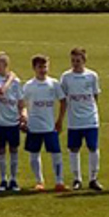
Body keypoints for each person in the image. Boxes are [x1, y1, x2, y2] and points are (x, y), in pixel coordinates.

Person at [60, 47, 102, 191]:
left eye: (78, 61)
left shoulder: (92, 76)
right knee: (74, 149)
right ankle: (77, 179)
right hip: (74, 120)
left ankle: (93, 179)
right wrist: (62, 118)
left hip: (90, 119)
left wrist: (92, 111)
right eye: (73, 61)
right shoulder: (66, 77)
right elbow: (63, 98)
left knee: (93, 147)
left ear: (84, 61)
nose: (75, 63)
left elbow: (95, 95)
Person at [23, 55, 67, 192]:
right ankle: (39, 181)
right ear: (34, 68)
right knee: (34, 154)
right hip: (34, 126)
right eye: (40, 67)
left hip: (50, 126)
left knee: (56, 154)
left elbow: (63, 101)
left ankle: (59, 182)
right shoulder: (29, 86)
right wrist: (24, 117)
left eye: (45, 66)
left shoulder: (54, 84)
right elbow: (22, 103)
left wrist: (60, 120)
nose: (43, 70)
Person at [0, 51, 25, 192]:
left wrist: (23, 115)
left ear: (5, 64)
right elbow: (1, 91)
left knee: (14, 150)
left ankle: (13, 179)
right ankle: (3, 179)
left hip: (13, 121)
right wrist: (10, 78)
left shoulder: (16, 82)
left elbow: (20, 101)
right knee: (1, 150)